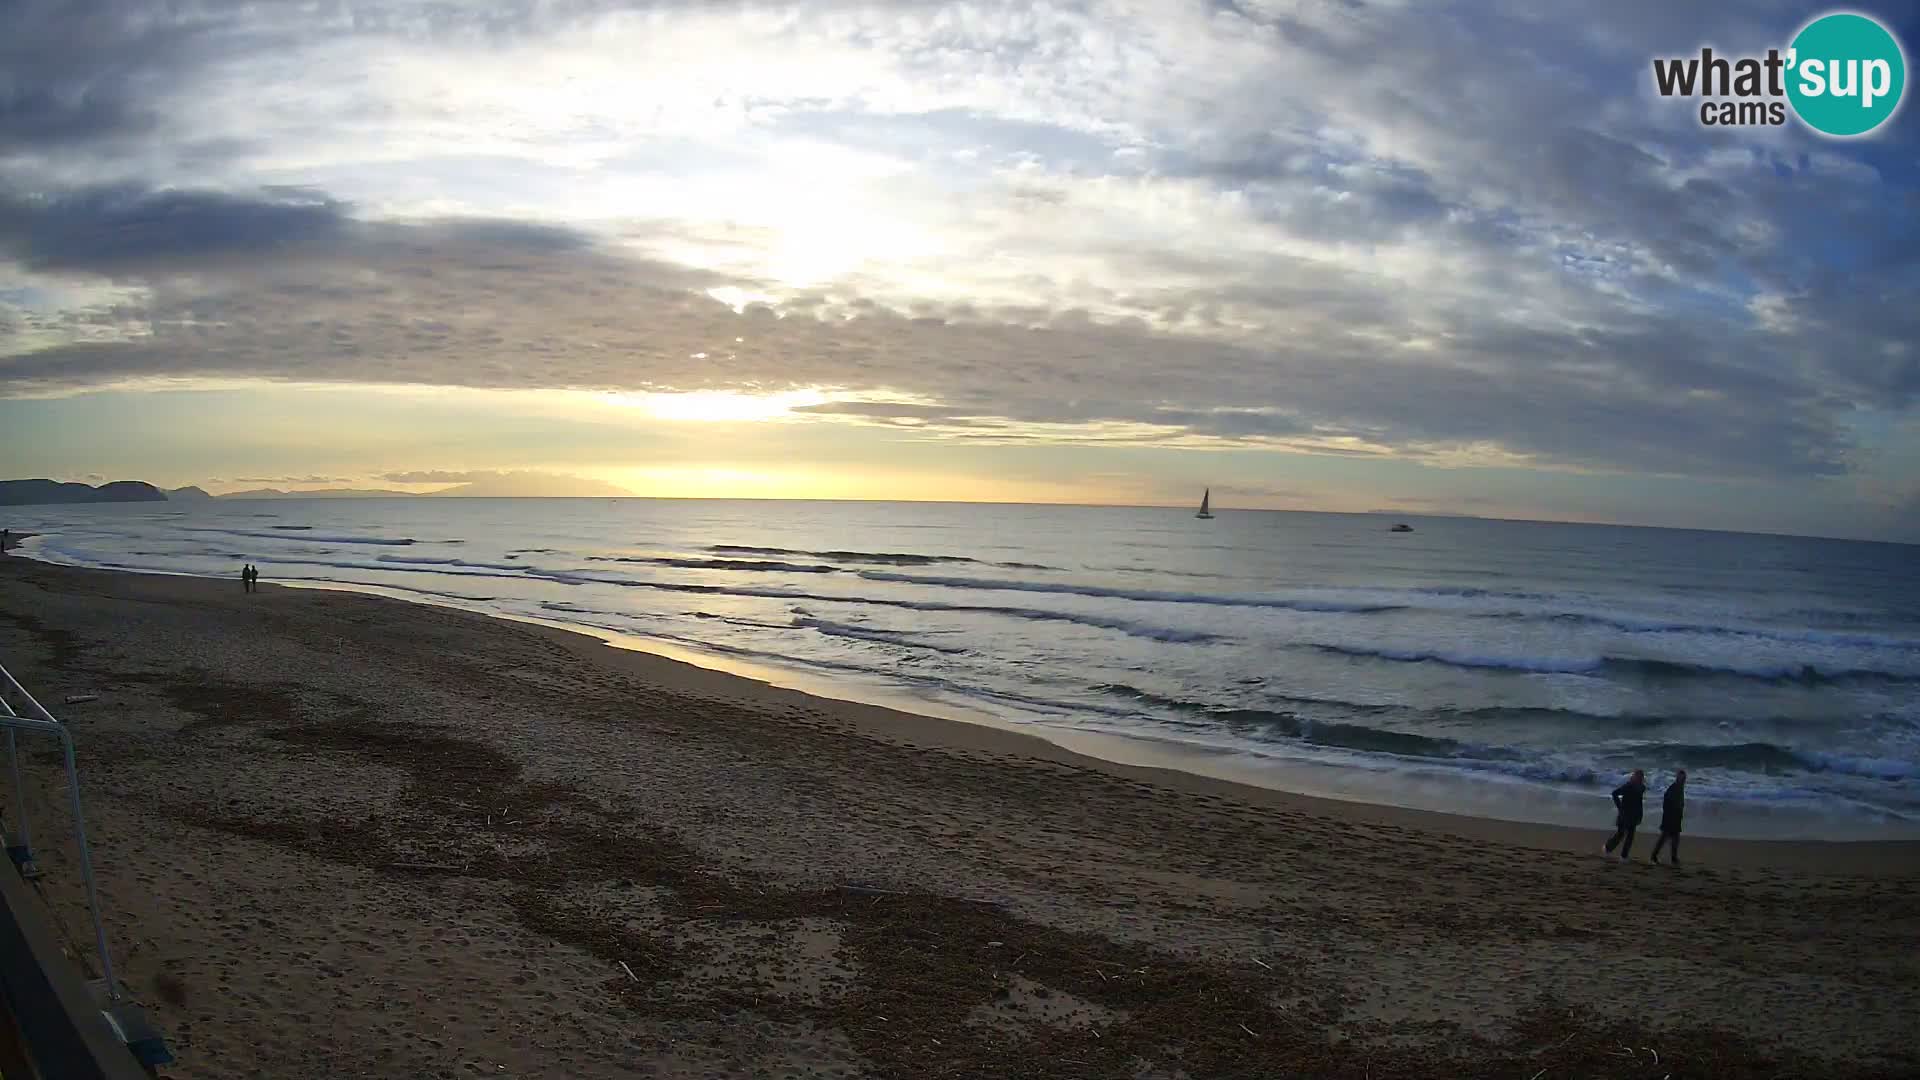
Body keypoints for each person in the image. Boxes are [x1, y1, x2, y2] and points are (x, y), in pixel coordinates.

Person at [1604, 769, 1646, 861]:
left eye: (1641, 777)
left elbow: (1639, 803)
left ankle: (1623, 855)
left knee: (1629, 835)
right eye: (1637, 776)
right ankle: (1608, 848)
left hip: (1634, 815)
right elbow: (1615, 793)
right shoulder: (1628, 786)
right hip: (1625, 814)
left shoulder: (1642, 788)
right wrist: (1620, 807)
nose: (1640, 778)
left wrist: (1640, 814)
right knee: (1621, 834)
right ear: (1634, 777)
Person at [1651, 770, 1686, 866]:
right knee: (1665, 837)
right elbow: (1666, 802)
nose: (1683, 780)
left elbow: (1679, 803)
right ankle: (1654, 856)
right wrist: (1669, 813)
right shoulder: (1673, 788)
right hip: (1670, 817)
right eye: (1681, 778)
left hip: (1676, 817)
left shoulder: (1680, 788)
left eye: (1684, 778)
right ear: (1677, 778)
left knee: (1674, 838)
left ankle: (1673, 858)